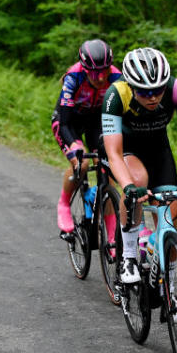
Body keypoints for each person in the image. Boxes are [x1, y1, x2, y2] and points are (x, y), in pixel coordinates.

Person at [101, 47, 177, 285]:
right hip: (124, 147)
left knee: (170, 216)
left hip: (158, 149)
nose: (153, 97)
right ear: (130, 85)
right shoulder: (116, 94)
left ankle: (168, 279)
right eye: (144, 92)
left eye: (158, 90)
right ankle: (128, 256)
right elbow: (114, 153)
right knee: (138, 182)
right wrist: (128, 186)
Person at [51, 39, 122, 242]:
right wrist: (74, 145)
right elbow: (64, 122)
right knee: (81, 164)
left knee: (107, 169)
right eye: (93, 72)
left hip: (95, 122)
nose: (100, 78)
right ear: (84, 67)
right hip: (69, 121)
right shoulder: (73, 77)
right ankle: (64, 204)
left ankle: (111, 234)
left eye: (104, 70)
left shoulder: (117, 78)